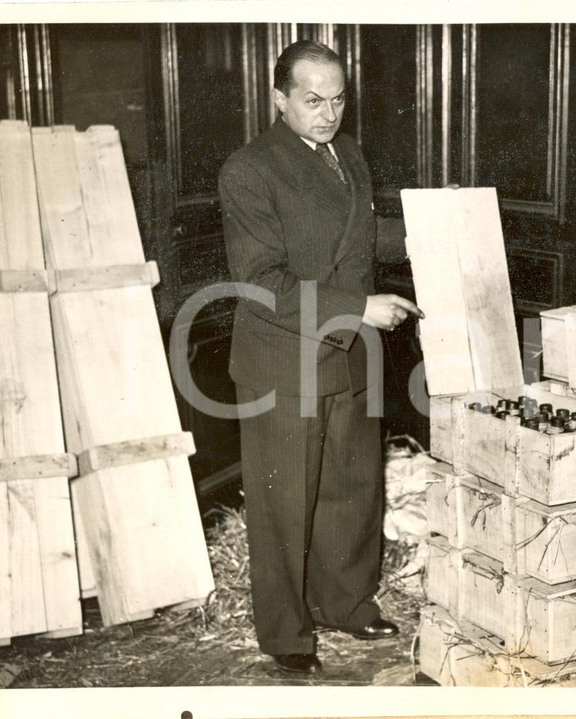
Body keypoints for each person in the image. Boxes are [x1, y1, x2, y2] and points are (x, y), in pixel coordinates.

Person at [218, 40, 422, 675]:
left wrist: (426, 227)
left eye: (338, 100)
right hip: (285, 359)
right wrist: (358, 308)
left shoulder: (347, 153)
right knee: (284, 504)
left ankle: (346, 603)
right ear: (279, 100)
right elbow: (261, 282)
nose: (329, 114)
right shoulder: (249, 169)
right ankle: (287, 632)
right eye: (313, 101)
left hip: (349, 357)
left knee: (352, 489)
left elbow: (354, 235)